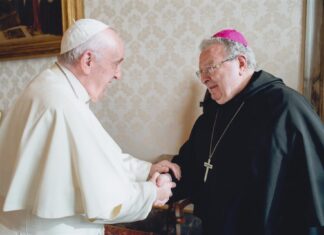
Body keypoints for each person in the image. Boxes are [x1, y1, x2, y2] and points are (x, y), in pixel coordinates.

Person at [0, 18, 180, 235]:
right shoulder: (63, 105)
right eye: (117, 63)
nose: (118, 74)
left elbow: (98, 158)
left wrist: (145, 170)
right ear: (88, 60)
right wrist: (152, 193)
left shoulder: (50, 86)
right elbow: (106, 200)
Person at [170, 29, 324, 235]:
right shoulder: (211, 114)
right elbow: (189, 162)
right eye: (201, 72)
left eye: (210, 68)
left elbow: (311, 181)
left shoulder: (285, 107)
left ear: (241, 63)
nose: (204, 79)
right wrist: (166, 175)